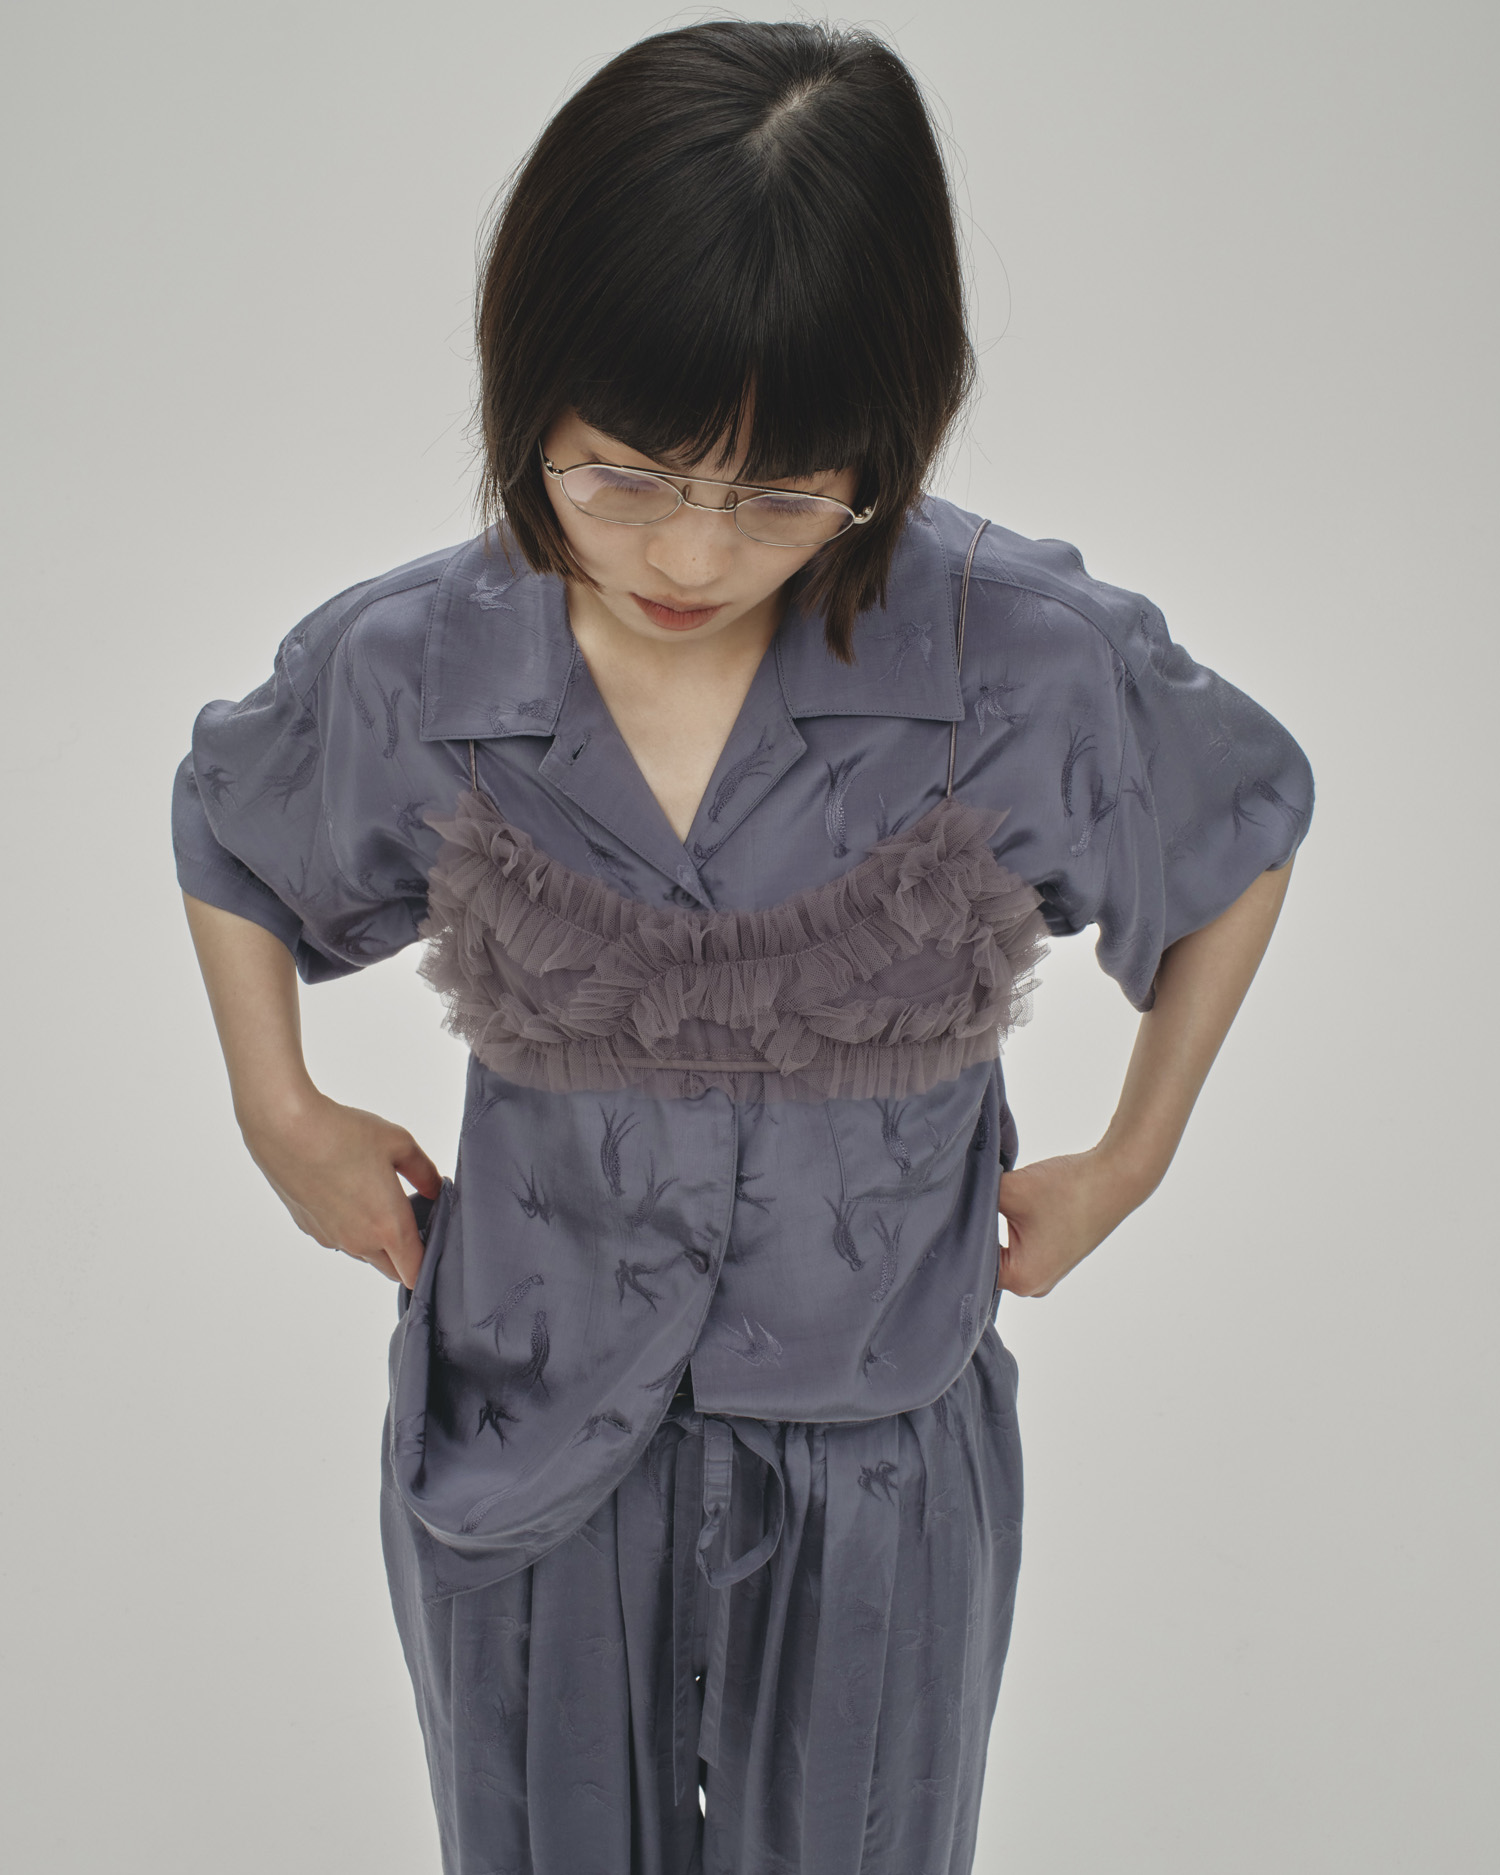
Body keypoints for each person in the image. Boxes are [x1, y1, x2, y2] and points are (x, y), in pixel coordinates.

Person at [170, 20, 1314, 1875]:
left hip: (881, 1458)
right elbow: (232, 819)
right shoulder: (423, 661)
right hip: (530, 1437)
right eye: (623, 475)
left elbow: (1238, 827)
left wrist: (1132, 1157)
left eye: (783, 492)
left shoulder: (1017, 660)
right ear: (527, 393)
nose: (692, 555)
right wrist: (276, 1107)